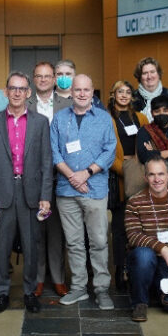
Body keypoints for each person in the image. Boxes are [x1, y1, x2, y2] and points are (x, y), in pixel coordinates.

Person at [0, 72, 53, 314]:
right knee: (1, 246)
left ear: (28, 93)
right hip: (2, 192)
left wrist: (46, 196)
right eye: (12, 88)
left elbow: (46, 161)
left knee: (32, 245)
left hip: (31, 192)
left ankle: (29, 293)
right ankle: (1, 293)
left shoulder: (41, 122)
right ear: (5, 92)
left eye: (21, 89)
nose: (16, 93)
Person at [51, 74, 117, 309]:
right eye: (77, 90)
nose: (81, 93)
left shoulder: (104, 119)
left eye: (86, 90)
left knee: (99, 241)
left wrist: (86, 173)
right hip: (66, 191)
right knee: (74, 243)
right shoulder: (59, 119)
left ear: (92, 92)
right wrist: (72, 176)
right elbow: (54, 152)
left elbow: (110, 151)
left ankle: (101, 289)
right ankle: (79, 288)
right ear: (71, 92)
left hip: (95, 189)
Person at [125, 155, 168, 321]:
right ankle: (140, 302)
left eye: (161, 174)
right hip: (146, 258)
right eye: (152, 174)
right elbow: (133, 236)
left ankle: (155, 286)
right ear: (145, 177)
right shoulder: (134, 203)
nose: (157, 179)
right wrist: (162, 248)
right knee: (144, 255)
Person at [26, 61, 71, 297]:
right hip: (32, 177)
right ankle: (38, 278)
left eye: (47, 76)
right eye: (38, 76)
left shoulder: (68, 104)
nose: (43, 80)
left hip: (61, 176)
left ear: (54, 79)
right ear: (34, 79)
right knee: (36, 230)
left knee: (56, 232)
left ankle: (58, 278)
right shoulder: (24, 104)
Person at [108, 80, 148, 291]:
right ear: (113, 94)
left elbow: (149, 145)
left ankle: (137, 269)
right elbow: (105, 150)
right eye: (119, 92)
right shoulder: (107, 117)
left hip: (140, 176)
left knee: (139, 226)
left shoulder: (140, 117)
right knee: (119, 228)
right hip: (119, 177)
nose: (124, 95)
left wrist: (138, 171)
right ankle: (120, 269)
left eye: (127, 92)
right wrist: (127, 170)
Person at [131, 57, 168, 122]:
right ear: (139, 77)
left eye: (152, 72)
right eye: (145, 73)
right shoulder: (132, 98)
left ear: (159, 74)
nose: (149, 76)